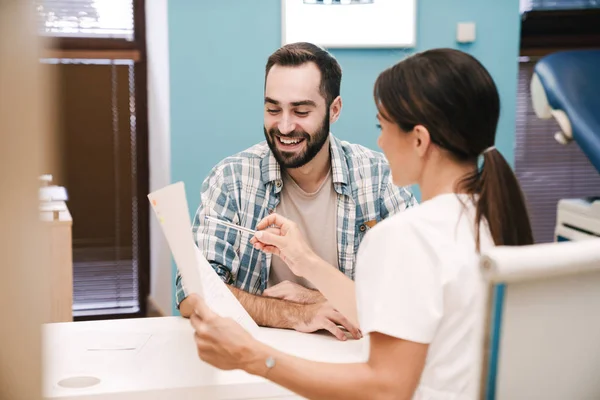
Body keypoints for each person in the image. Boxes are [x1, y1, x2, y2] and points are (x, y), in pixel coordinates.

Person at [187, 48, 534, 399]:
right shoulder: (490, 216)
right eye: (273, 108)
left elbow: (385, 387)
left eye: (382, 126)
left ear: (419, 140)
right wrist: (305, 263)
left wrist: (253, 357)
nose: (380, 142)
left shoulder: (404, 234)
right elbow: (393, 312)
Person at [177, 42, 416, 340]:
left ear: (335, 110)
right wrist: (293, 313)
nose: (285, 126)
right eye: (273, 109)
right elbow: (192, 293)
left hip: (354, 359)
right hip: (257, 363)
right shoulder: (231, 180)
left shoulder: (379, 178)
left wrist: (310, 297)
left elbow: (414, 296)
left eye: (301, 111)